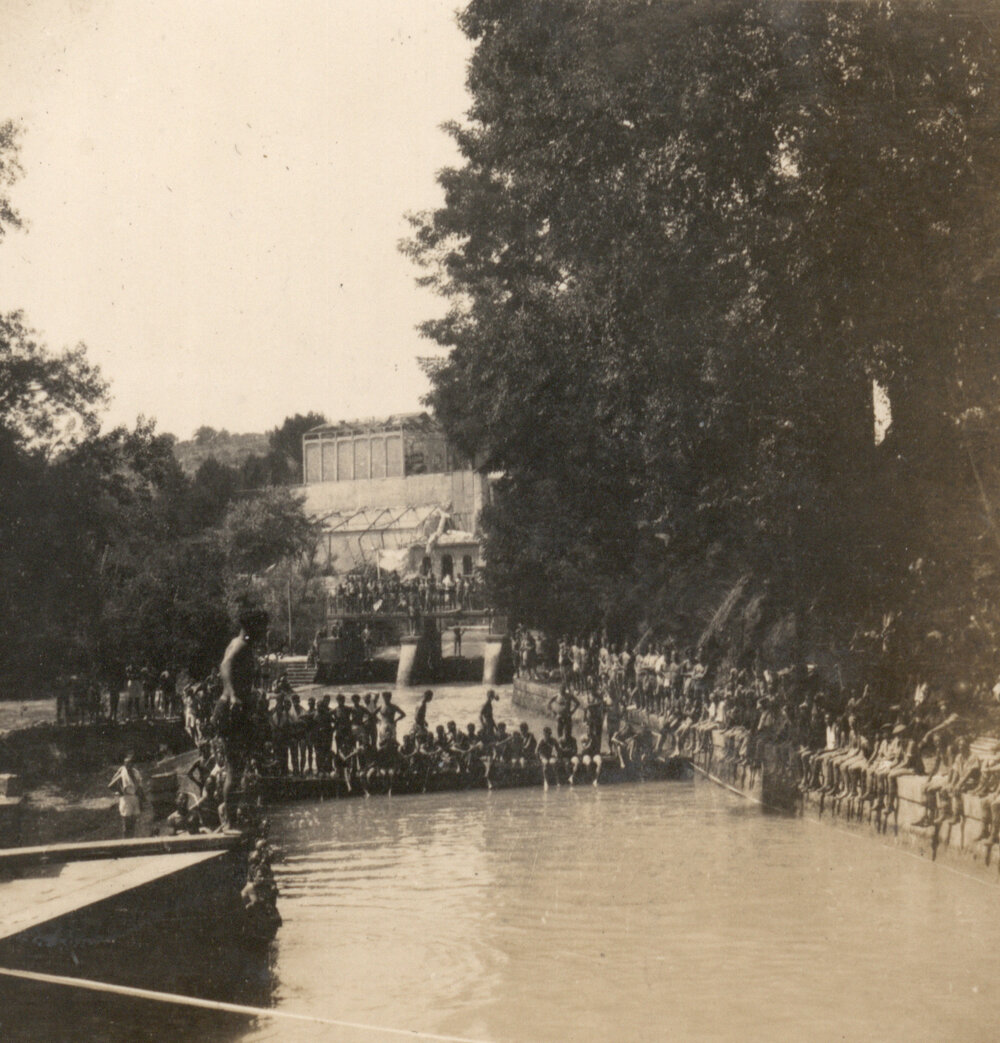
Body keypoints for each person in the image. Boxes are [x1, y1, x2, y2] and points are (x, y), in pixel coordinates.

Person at [213, 608, 268, 831]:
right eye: (262, 628)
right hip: (230, 709)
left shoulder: (242, 643)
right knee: (234, 767)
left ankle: (232, 815)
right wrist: (233, 693)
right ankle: (229, 820)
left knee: (239, 764)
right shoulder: (241, 645)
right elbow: (225, 666)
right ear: (252, 627)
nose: (265, 632)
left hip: (237, 709)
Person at [109, 750, 145, 838]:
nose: (129, 765)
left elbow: (140, 786)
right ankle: (125, 841)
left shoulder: (135, 772)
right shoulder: (121, 772)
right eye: (127, 763)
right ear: (124, 764)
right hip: (126, 798)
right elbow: (111, 785)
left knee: (134, 821)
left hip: (135, 798)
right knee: (126, 821)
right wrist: (120, 791)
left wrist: (141, 799)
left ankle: (132, 839)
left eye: (130, 763)